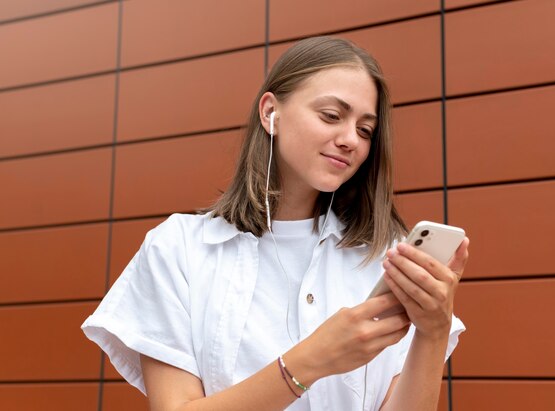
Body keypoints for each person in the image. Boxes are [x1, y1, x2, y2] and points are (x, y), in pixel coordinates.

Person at [82, 36, 469, 411]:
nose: (351, 139)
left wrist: (432, 334)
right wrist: (309, 361)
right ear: (271, 113)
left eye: (365, 130)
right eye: (331, 116)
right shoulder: (179, 248)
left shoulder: (386, 258)